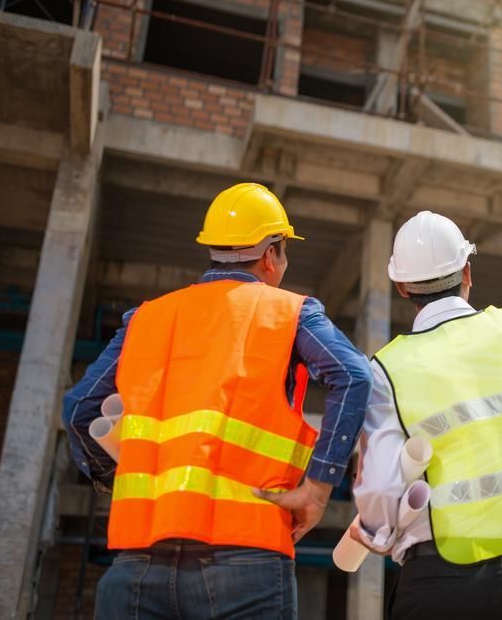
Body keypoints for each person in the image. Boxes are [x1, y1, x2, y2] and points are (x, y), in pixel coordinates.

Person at [62, 182, 373, 619]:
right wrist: (317, 490)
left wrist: (119, 478)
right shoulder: (290, 312)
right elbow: (354, 376)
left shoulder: (146, 318)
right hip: (246, 560)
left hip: (137, 560)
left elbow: (79, 411)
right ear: (271, 254)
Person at [350, 211, 502, 620]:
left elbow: (379, 486)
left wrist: (375, 530)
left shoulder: (385, 370)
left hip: (436, 583)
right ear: (467, 272)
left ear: (402, 286)